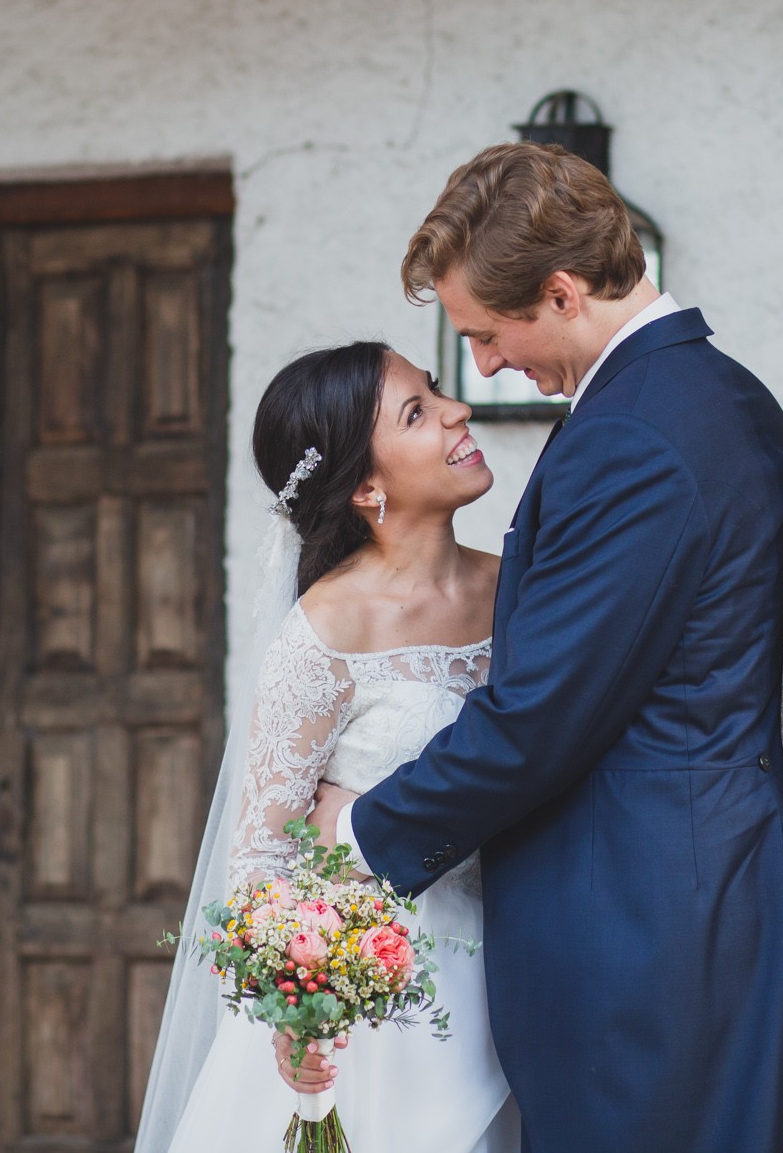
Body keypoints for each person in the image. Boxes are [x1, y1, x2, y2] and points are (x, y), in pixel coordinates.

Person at [304, 142, 783, 1151]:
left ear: (563, 291)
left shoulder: (637, 438)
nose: (480, 368)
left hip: (640, 937)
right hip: (666, 909)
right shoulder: (705, 396)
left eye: (487, 333)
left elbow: (538, 717)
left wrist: (358, 836)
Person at [136, 339, 522, 1153]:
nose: (457, 411)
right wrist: (296, 1013)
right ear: (366, 486)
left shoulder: (521, 588)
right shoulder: (326, 630)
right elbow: (260, 861)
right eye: (417, 412)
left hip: (516, 974)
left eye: (438, 392)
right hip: (371, 1008)